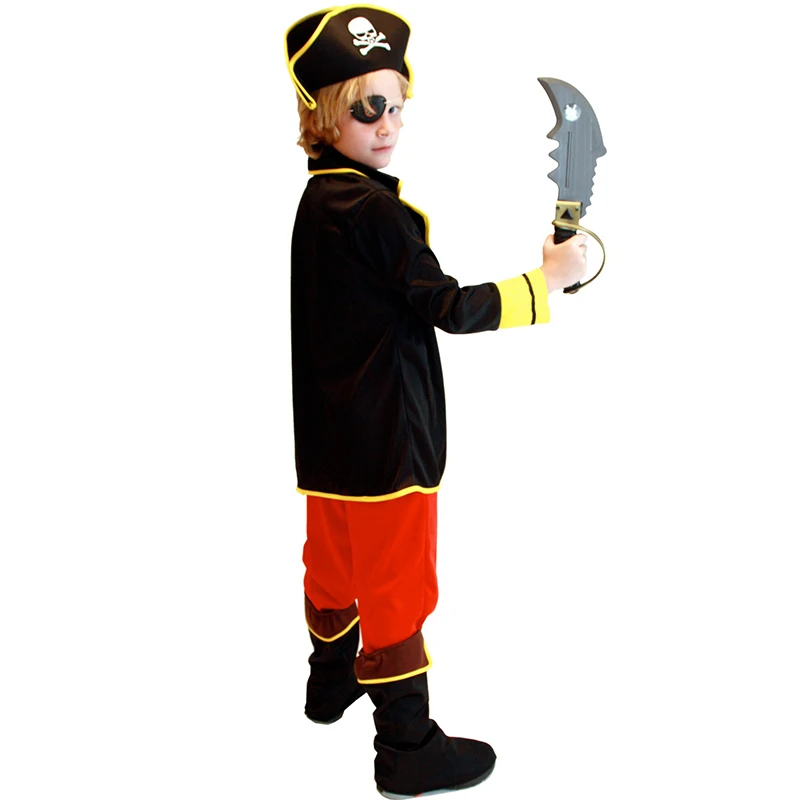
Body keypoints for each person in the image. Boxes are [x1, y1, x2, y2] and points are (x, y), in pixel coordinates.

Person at [285, 6, 587, 797]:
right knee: (397, 588)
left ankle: (329, 682)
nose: (387, 123)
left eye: (396, 103)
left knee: (333, 565)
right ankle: (406, 746)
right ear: (323, 114)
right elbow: (446, 307)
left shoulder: (320, 202)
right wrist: (545, 284)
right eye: (366, 107)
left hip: (328, 442)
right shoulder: (373, 211)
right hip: (388, 443)